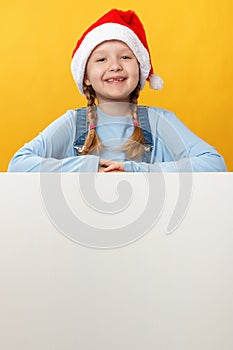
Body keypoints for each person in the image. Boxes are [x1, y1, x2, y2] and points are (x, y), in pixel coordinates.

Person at [8, 9, 227, 172]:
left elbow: (214, 164)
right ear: (86, 76)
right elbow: (19, 164)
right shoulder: (74, 124)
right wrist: (89, 168)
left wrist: (138, 171)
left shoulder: (159, 122)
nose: (115, 66)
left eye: (125, 57)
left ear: (140, 68)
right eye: (101, 59)